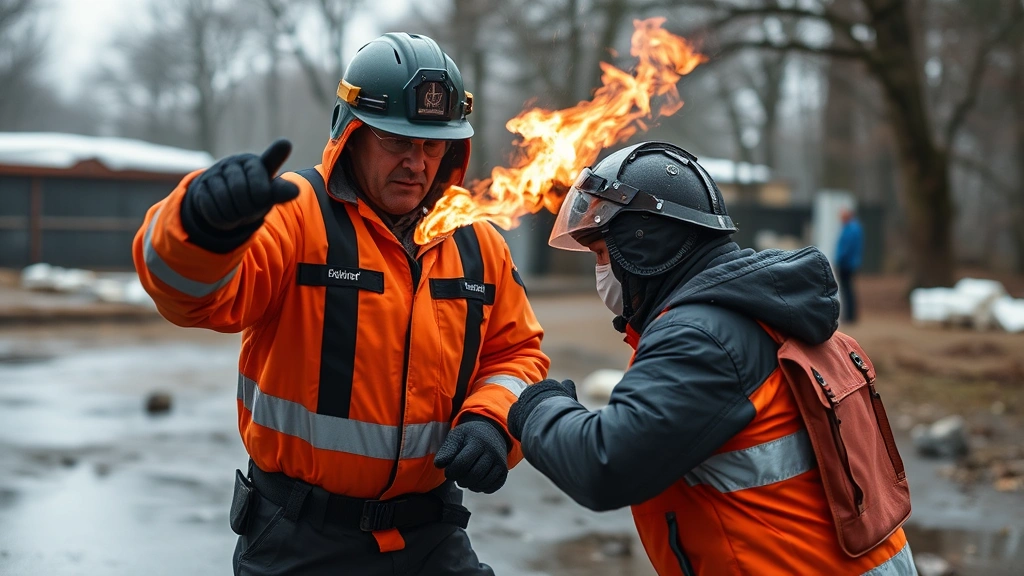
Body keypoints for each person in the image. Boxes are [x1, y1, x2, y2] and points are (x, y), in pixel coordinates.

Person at [132, 33, 549, 576]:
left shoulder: (478, 243)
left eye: (431, 145)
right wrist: (200, 227)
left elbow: (517, 356)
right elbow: (192, 297)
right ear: (350, 134)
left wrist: (493, 421)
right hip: (300, 537)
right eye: (396, 140)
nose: (415, 163)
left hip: (432, 538)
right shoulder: (295, 214)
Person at [506, 141, 915, 575]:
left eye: (604, 254)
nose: (601, 271)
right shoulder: (765, 311)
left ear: (643, 244)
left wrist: (538, 408)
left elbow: (605, 464)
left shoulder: (705, 335)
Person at [836, 207, 865, 323]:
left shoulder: (850, 229)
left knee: (847, 289)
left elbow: (846, 248)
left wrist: (839, 259)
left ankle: (850, 316)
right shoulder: (854, 227)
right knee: (848, 289)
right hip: (850, 263)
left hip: (847, 263)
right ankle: (850, 315)